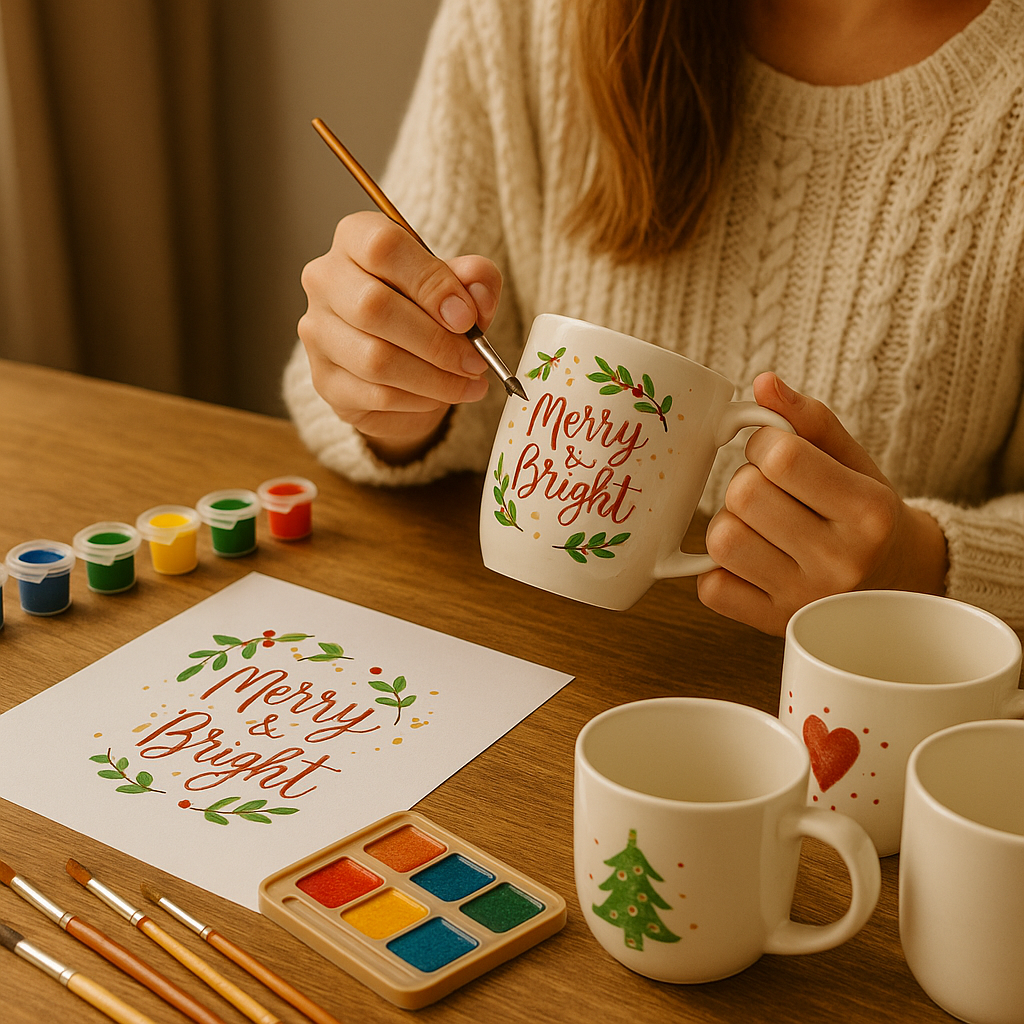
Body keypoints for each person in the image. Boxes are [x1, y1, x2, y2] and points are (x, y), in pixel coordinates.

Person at [286, 0, 1024, 637]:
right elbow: (458, 368)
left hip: (849, 724)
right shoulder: (533, 18)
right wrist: (398, 384)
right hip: (514, 651)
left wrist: (925, 568)